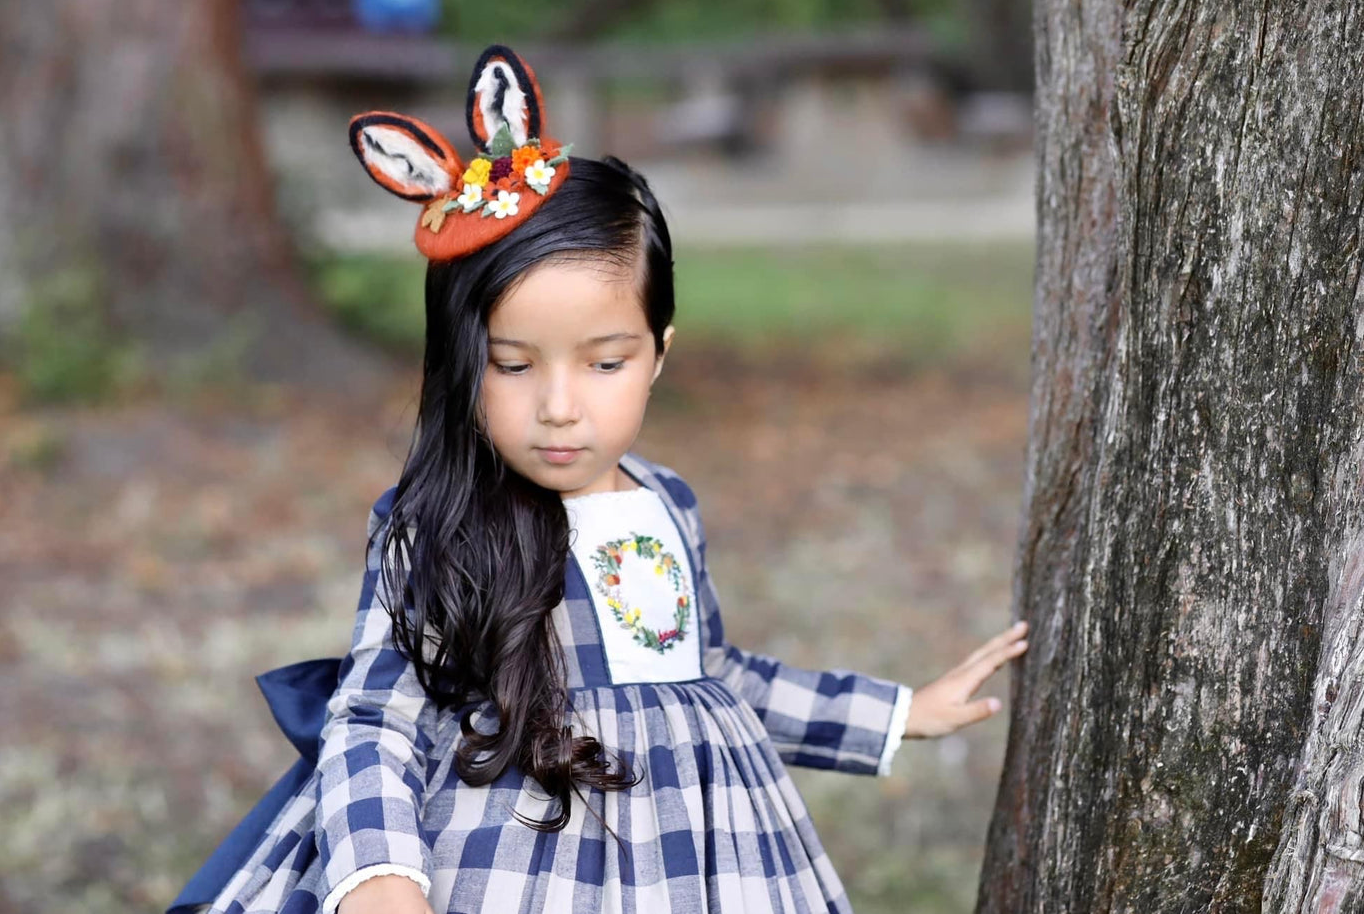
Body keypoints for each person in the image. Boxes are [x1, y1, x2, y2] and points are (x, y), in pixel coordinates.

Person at [169, 45, 1029, 914]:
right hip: (512, 858)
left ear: (658, 353)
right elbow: (372, 714)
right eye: (511, 365)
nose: (558, 406)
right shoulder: (437, 522)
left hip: (701, 862)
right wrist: (382, 876)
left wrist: (896, 714)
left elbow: (716, 679)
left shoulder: (669, 502)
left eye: (605, 362)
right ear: (462, 365)